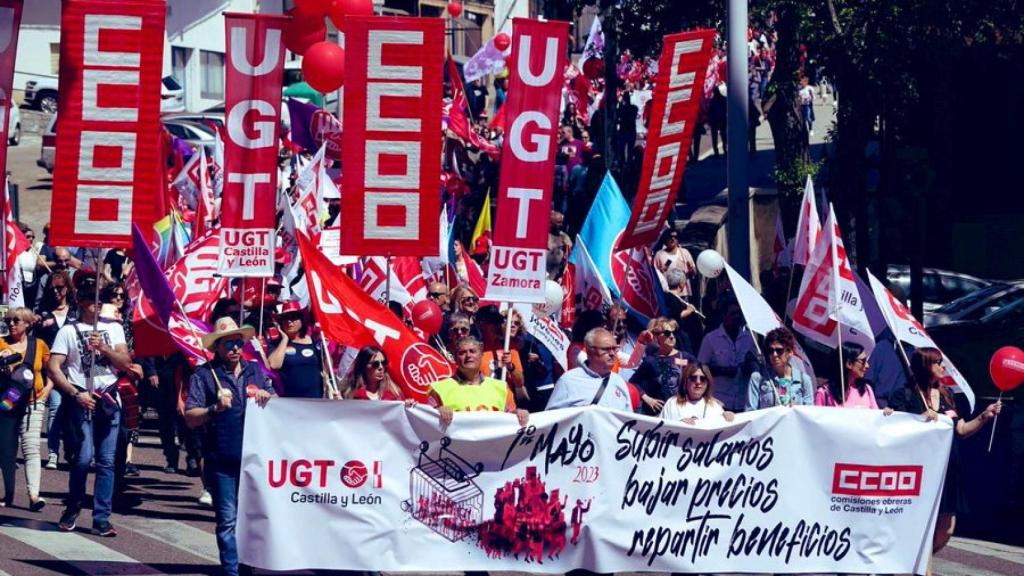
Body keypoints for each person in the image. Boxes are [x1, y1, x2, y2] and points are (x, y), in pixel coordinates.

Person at [892, 347, 1001, 576]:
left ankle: (916, 562)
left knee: (947, 528)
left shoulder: (946, 395)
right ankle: (923, 569)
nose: (943, 367)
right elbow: (895, 428)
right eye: (937, 363)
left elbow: (960, 429)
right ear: (925, 367)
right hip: (920, 470)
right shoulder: (906, 394)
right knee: (921, 522)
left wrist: (984, 416)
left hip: (948, 467)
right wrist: (920, 419)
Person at [185, 317, 274, 576]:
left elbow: (278, 404)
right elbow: (191, 417)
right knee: (227, 521)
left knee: (250, 521)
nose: (235, 348)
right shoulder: (204, 374)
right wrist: (214, 408)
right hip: (221, 458)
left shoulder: (256, 371)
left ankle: (245, 568)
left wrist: (269, 398)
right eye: (228, 344)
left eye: (238, 343)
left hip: (254, 460)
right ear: (217, 348)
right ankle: (231, 571)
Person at [48, 276, 132, 536]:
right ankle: (72, 508)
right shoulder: (68, 331)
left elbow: (125, 362)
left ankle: (102, 518)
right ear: (83, 301)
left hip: (108, 399)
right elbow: (53, 368)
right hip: (82, 400)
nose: (100, 304)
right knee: (83, 459)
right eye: (94, 299)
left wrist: (104, 348)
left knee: (107, 462)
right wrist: (75, 394)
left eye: (102, 299)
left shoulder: (115, 328)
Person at [1, 307, 51, 511]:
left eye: (16, 320)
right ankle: (10, 493)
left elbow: (53, 370)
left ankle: (34, 495)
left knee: (31, 448)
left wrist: (47, 390)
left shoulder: (39, 345)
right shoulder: (1, 343)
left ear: (28, 324)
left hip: (33, 401)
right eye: (9, 320)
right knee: (6, 450)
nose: (11, 324)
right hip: (7, 402)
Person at [429, 336, 529, 429]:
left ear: (481, 355)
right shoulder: (439, 389)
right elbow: (423, 420)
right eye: (462, 353)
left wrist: (519, 413)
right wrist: (436, 412)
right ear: (455, 358)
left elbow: (510, 417)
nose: (468, 355)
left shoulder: (501, 388)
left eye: (472, 351)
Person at [546, 328, 633, 411]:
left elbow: (629, 420)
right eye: (606, 349)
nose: (612, 353)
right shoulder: (568, 381)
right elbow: (551, 418)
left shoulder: (619, 382)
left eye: (615, 349)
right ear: (590, 352)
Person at [697, 297, 755, 412]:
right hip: (719, 402)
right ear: (724, 315)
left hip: (743, 401)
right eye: (733, 313)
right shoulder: (710, 339)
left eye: (739, 313)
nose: (737, 317)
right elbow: (700, 368)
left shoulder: (749, 338)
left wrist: (749, 367)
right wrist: (722, 371)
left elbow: (756, 363)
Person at [629, 317, 695, 415]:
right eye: (667, 333)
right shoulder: (650, 361)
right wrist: (648, 399)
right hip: (658, 414)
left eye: (674, 332)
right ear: (656, 336)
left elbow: (702, 378)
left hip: (682, 411)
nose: (672, 336)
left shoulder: (687, 357)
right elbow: (633, 382)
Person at [267, 300, 330, 399]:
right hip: (290, 401)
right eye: (285, 318)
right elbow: (275, 365)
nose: (289, 322)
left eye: (293, 318)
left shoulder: (314, 341)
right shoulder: (276, 344)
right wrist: (285, 339)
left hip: (316, 400)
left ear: (302, 320)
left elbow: (326, 368)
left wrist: (326, 349)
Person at [747, 327, 814, 410]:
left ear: (790, 352)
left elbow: (808, 413)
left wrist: (796, 410)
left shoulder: (804, 380)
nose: (774, 354)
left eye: (779, 350)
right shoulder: (758, 378)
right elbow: (750, 412)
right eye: (771, 350)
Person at [815, 342, 889, 411]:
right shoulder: (824, 393)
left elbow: (875, 417)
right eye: (863, 361)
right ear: (849, 364)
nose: (867, 366)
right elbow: (817, 420)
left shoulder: (867, 389)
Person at [660, 363, 736, 424]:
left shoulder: (714, 406)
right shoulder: (672, 403)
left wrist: (727, 417)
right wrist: (679, 426)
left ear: (707, 383)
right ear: (685, 382)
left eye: (702, 379)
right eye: (693, 378)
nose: (698, 382)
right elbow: (660, 430)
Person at [654, 229, 695, 299]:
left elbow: (693, 274)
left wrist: (691, 269)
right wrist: (661, 271)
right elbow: (654, 275)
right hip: (667, 293)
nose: (673, 239)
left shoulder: (684, 253)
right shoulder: (659, 255)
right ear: (665, 239)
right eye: (670, 237)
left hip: (683, 292)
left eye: (675, 237)